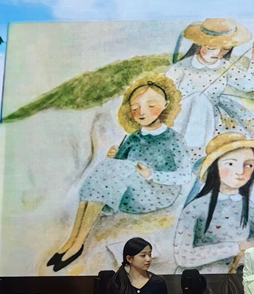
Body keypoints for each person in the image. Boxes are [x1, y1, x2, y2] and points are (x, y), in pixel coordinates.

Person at [48, 75, 190, 272]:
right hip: (129, 194)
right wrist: (114, 156)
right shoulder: (132, 137)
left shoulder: (174, 139)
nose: (141, 112)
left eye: (150, 105)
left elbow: (184, 175)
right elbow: (117, 168)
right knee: (107, 165)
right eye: (135, 107)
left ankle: (78, 243)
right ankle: (72, 240)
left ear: (165, 105)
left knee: (116, 167)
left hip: (156, 194)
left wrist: (151, 174)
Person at [166, 17, 254, 157]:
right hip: (182, 118)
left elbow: (250, 85)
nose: (218, 54)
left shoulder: (224, 66)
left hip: (213, 120)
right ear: (199, 44)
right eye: (212, 48)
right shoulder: (181, 68)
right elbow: (165, 94)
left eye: (225, 49)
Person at [173, 132, 254, 273]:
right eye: (230, 164)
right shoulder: (195, 208)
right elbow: (183, 257)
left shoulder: (250, 207)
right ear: (214, 168)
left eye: (248, 165)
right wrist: (235, 247)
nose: (240, 171)